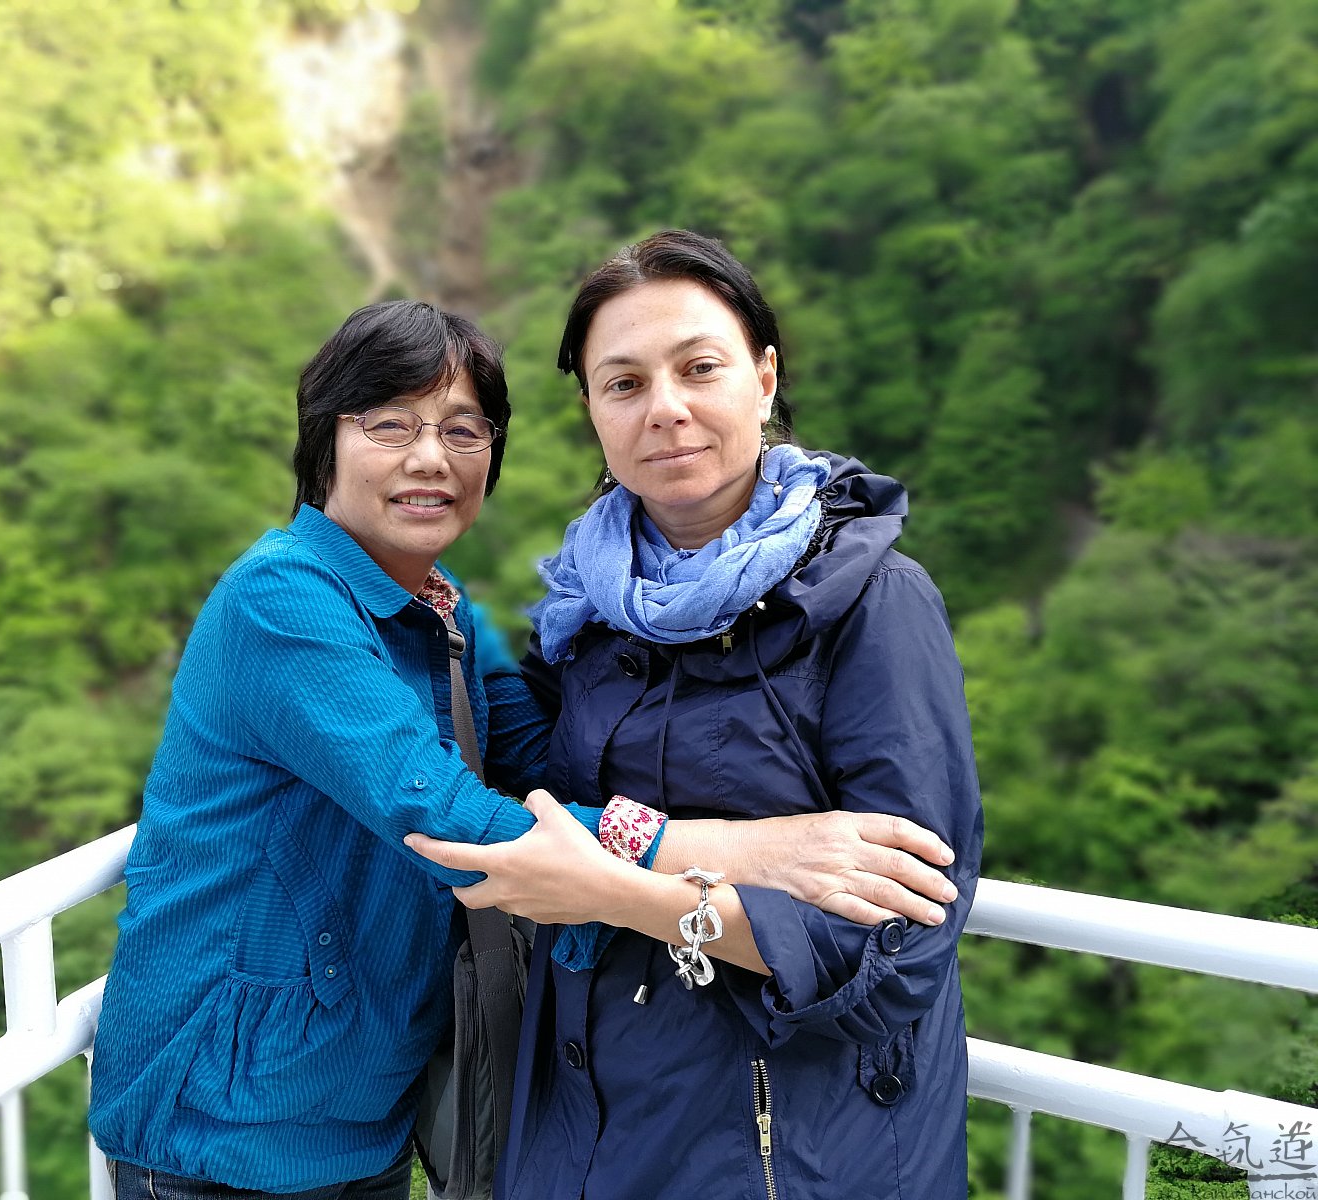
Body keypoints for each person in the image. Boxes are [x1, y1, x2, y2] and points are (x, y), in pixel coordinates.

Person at [87, 298, 961, 1200]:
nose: (431, 458)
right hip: (217, 1117)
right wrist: (742, 852)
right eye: (390, 424)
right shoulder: (281, 598)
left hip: (361, 1110)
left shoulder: (445, 613)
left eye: (464, 430)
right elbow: (446, 816)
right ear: (325, 441)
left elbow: (547, 762)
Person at [407, 231, 985, 1200]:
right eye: (624, 384)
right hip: (584, 1137)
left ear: (764, 379)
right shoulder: (585, 611)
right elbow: (515, 785)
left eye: (699, 368)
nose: (664, 408)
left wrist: (618, 893)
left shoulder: (871, 603)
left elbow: (902, 940)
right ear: (593, 414)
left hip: (785, 1157)